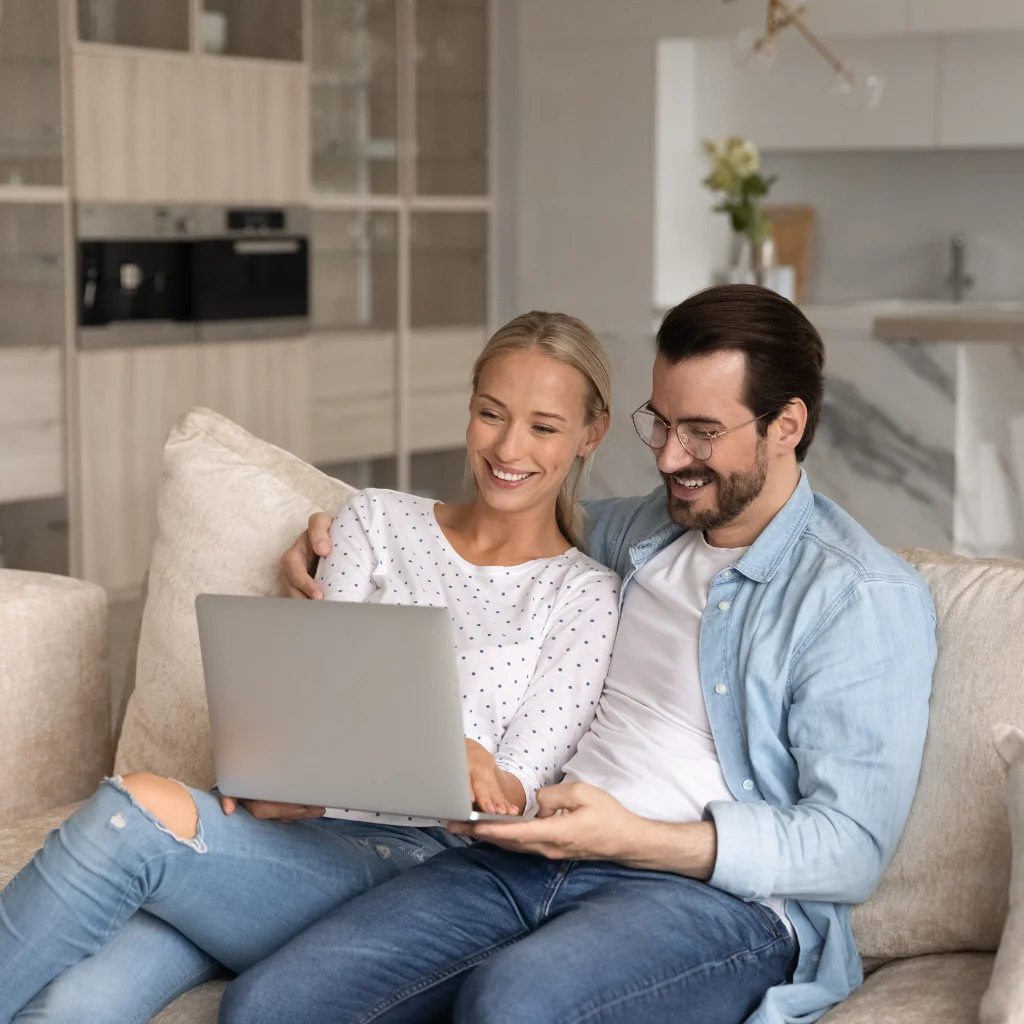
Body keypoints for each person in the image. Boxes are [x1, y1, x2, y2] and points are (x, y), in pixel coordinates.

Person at [226, 284, 939, 1024]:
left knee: (513, 1006)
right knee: (268, 1005)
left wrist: (635, 838)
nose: (668, 458)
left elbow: (851, 848)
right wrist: (329, 526)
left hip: (708, 901)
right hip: (524, 857)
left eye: (700, 431)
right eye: (658, 423)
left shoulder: (858, 597)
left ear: (786, 424)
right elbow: (490, 514)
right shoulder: (639, 532)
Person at [0, 312, 622, 1024]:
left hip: (418, 871)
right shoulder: (375, 520)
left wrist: (457, 758)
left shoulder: (583, 598)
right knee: (74, 1004)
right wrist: (273, 773)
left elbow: (512, 801)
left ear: (590, 435)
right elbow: (310, 701)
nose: (509, 447)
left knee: (133, 813)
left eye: (544, 427)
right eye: (491, 414)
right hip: (282, 833)